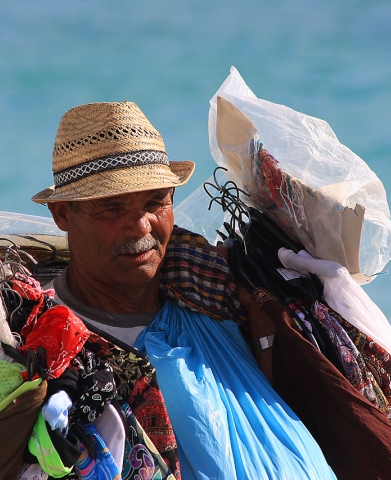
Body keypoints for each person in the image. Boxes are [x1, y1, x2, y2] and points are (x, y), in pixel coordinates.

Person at [31, 101, 337, 479]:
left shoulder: (217, 295)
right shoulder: (47, 346)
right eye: (111, 208)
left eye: (155, 201)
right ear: (62, 214)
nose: (141, 226)